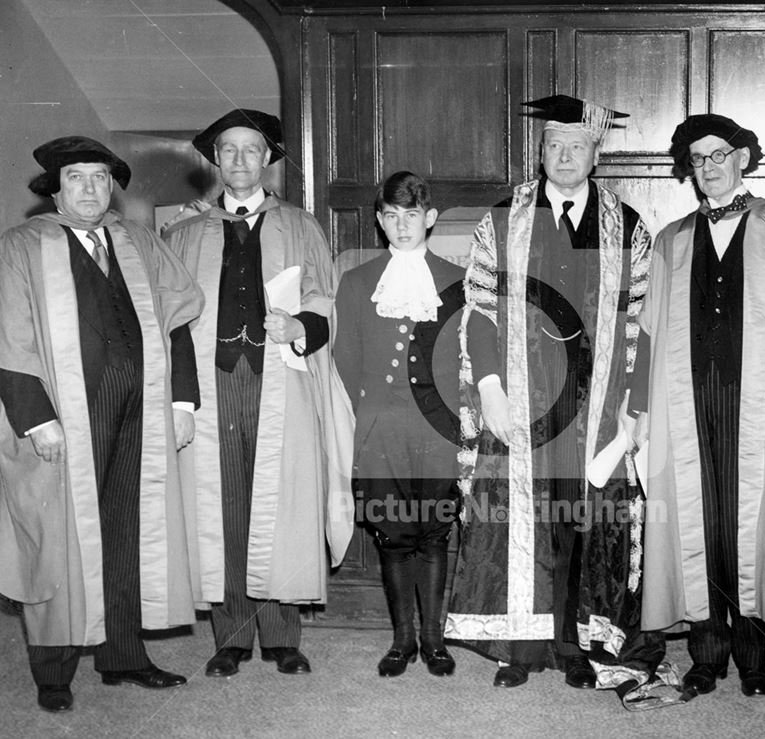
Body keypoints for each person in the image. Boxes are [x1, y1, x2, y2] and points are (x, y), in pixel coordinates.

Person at [445, 95, 652, 690]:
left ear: (596, 153)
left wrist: (631, 409)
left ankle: (575, 645)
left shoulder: (627, 223)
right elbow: (479, 311)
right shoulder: (505, 217)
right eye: (554, 146)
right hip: (522, 396)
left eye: (577, 146)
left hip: (596, 402)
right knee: (520, 520)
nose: (565, 156)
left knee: (582, 523)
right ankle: (521, 649)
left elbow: (641, 320)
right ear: (540, 152)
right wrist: (488, 389)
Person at [0, 136, 204, 712]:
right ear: (55, 188)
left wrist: (182, 402)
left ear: (111, 185)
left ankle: (124, 656)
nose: (89, 189)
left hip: (141, 406)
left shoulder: (138, 239)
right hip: (63, 412)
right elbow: (8, 340)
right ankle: (54, 672)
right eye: (76, 179)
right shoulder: (20, 247)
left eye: (98, 177)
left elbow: (177, 321)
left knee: (129, 530)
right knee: (57, 539)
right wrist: (35, 419)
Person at [164, 109, 354, 679]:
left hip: (281, 382)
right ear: (214, 160)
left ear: (269, 158)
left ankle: (281, 638)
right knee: (220, 508)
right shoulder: (183, 232)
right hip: (212, 382)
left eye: (252, 150)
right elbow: (170, 320)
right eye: (229, 150)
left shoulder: (300, 224)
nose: (241, 160)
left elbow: (325, 301)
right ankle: (230, 638)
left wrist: (301, 328)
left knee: (282, 506)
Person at [631, 114, 765, 700]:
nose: (708, 167)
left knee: (752, 524)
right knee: (701, 522)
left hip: (762, 399)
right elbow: (650, 333)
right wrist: (638, 411)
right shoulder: (672, 238)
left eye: (718, 155)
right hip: (686, 399)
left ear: (743, 159)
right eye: (698, 158)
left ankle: (753, 656)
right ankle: (707, 654)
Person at [335, 171, 495, 678]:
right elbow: (346, 363)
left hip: (439, 431)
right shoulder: (358, 282)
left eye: (411, 215)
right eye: (390, 216)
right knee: (394, 534)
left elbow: (473, 357)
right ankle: (402, 640)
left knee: (433, 533)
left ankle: (434, 639)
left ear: (429, 219)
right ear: (380, 221)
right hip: (381, 429)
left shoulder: (459, 281)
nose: (400, 226)